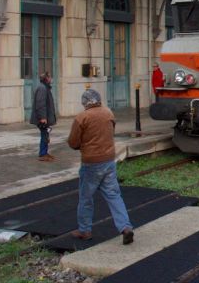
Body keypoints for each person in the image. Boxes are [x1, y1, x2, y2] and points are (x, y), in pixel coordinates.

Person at [68, 89, 134, 245]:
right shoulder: (108, 113)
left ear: (85, 102)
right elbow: (111, 132)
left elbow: (73, 142)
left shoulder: (82, 117)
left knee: (86, 197)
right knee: (114, 195)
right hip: (109, 161)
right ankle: (125, 227)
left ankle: (85, 230)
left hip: (91, 163)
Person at [30, 72, 56, 161]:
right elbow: (40, 104)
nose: (51, 79)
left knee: (45, 135)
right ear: (46, 78)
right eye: (50, 77)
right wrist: (43, 117)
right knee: (44, 135)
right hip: (42, 118)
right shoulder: (42, 88)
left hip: (45, 117)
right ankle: (42, 154)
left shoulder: (45, 88)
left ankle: (44, 152)